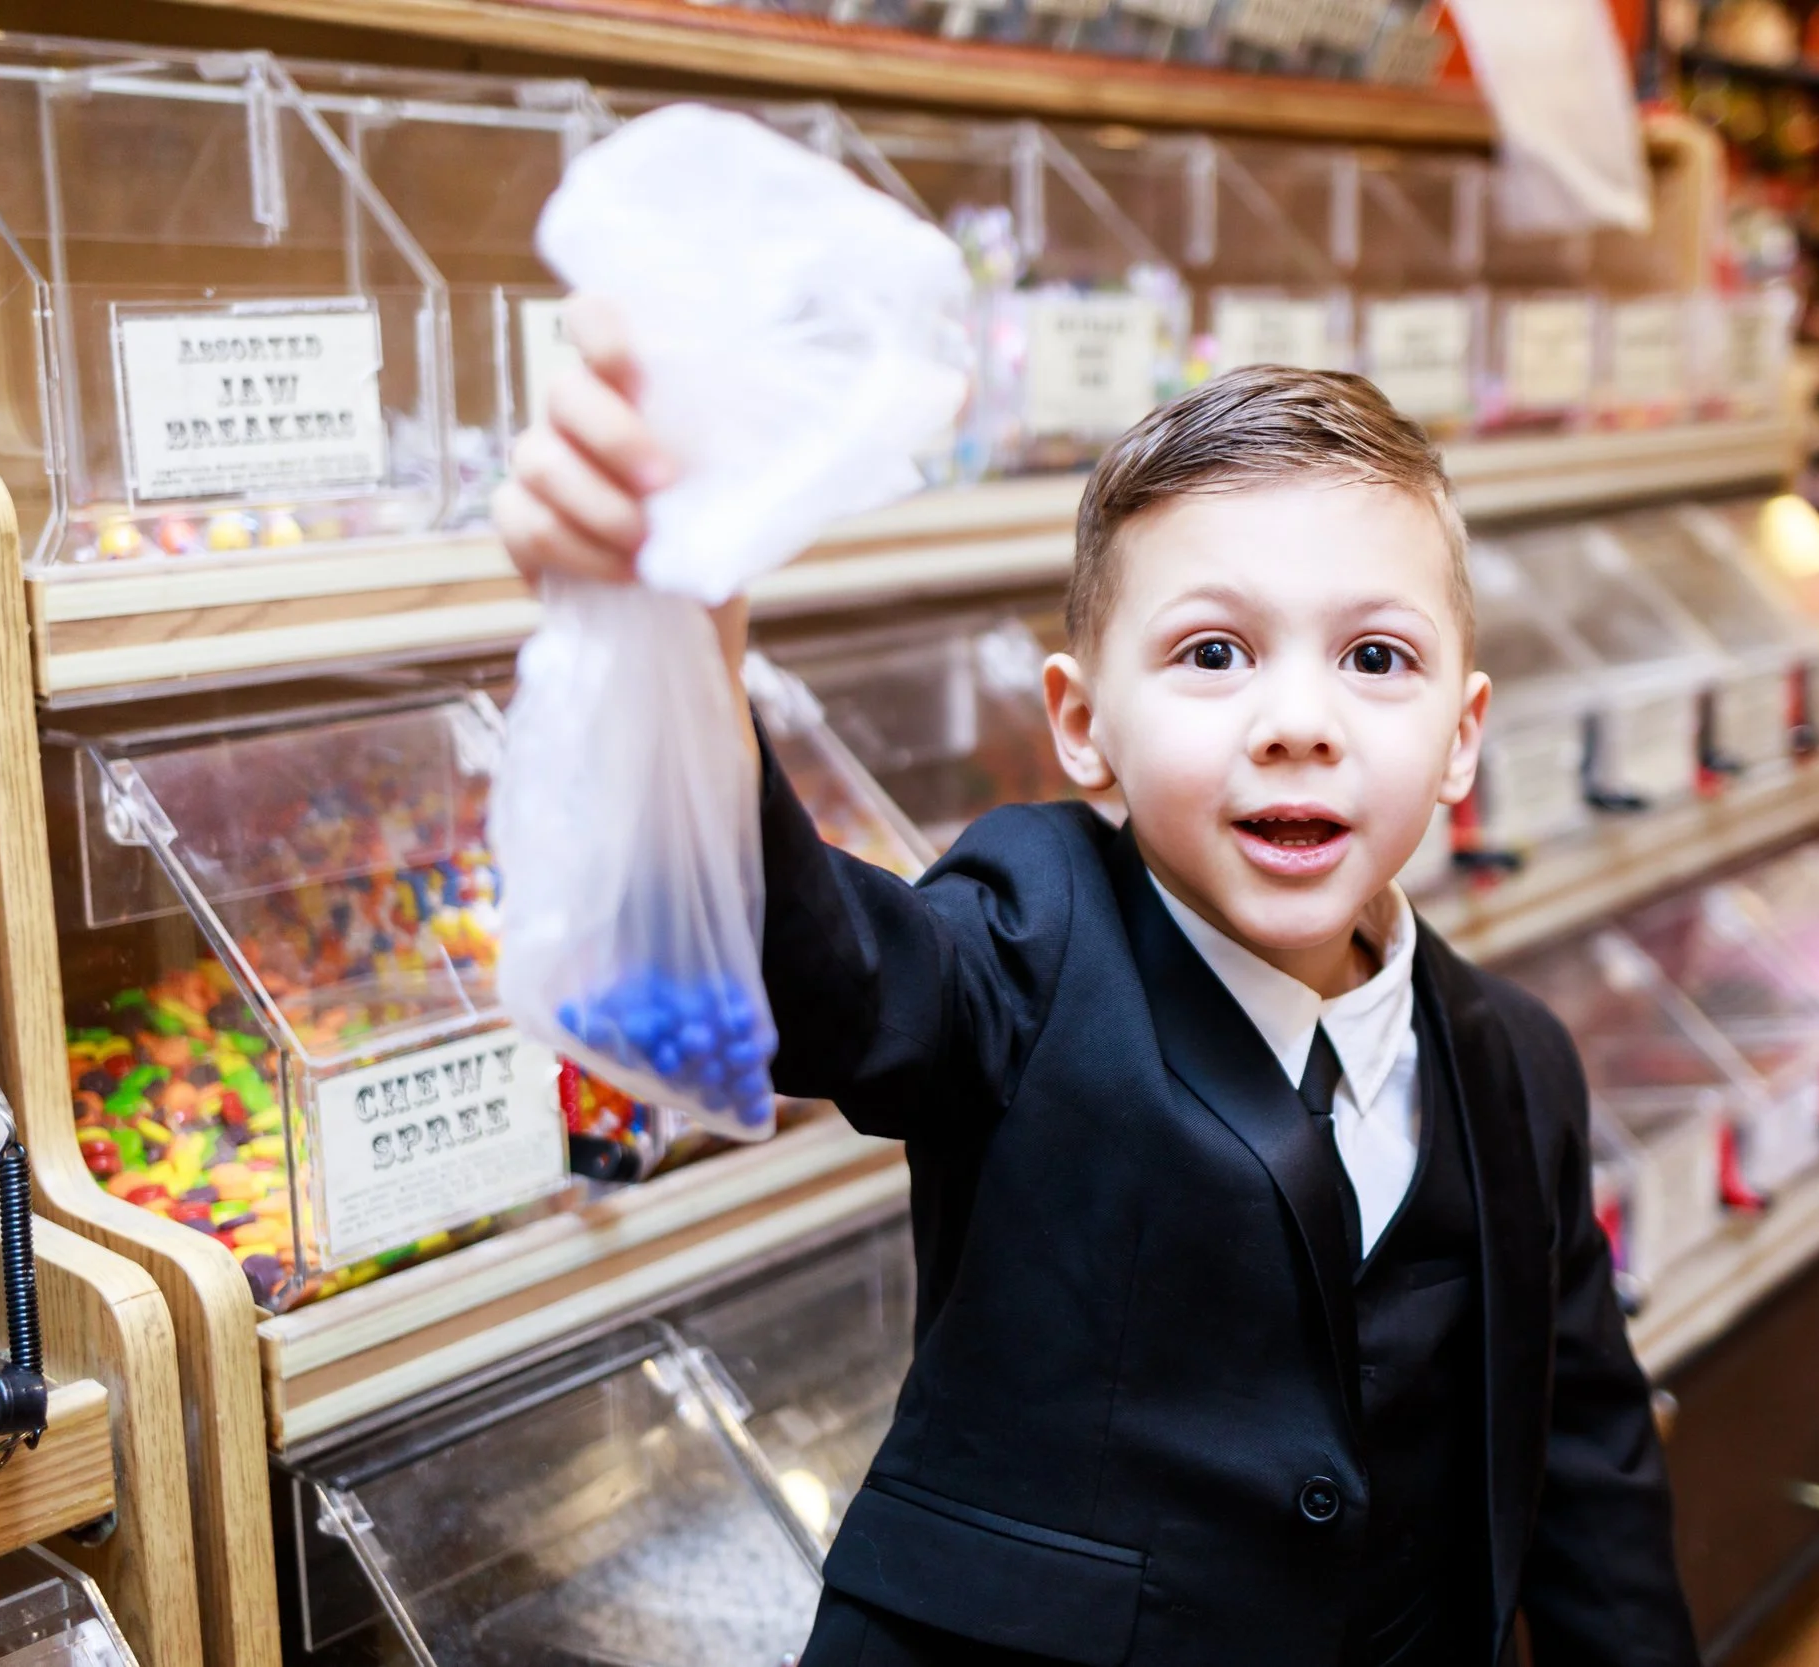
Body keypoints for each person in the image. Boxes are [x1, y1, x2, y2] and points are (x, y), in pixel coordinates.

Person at [495, 300, 1700, 1667]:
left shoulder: (1515, 1061)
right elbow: (830, 978)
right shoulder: (1028, 936)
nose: (1297, 722)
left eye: (1376, 658)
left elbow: (1587, 1462)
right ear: (1082, 722)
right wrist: (676, 663)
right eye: (1212, 653)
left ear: (1462, 736)